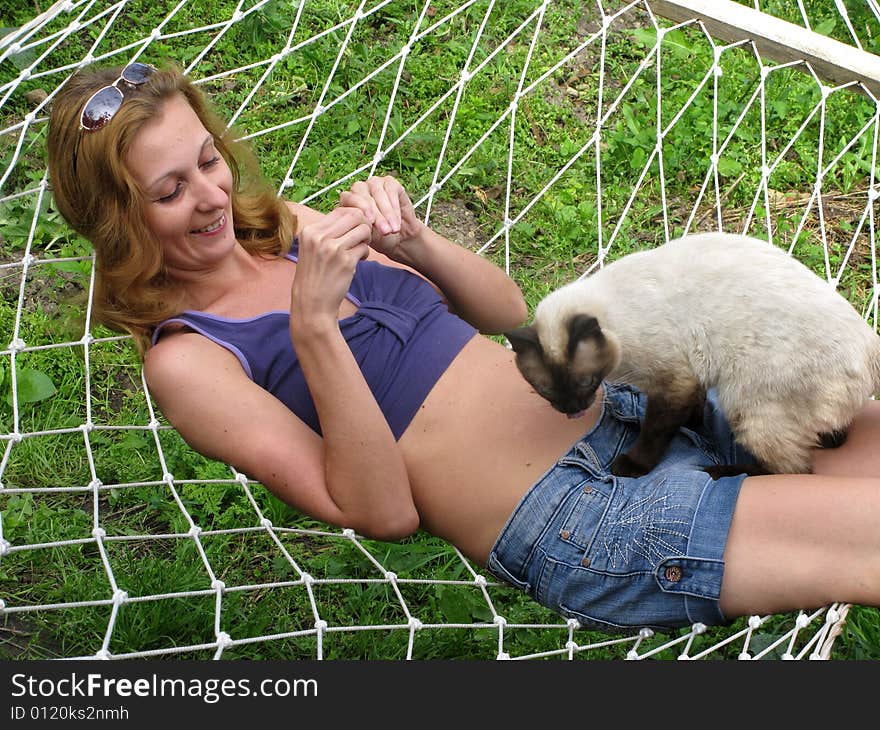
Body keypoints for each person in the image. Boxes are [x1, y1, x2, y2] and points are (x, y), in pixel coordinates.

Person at [47, 62, 880, 635]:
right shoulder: (189, 360)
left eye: (206, 161)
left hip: (628, 410)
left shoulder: (287, 229)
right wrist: (313, 331)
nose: (210, 195)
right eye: (170, 189)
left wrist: (416, 243)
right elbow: (382, 512)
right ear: (119, 220)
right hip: (581, 520)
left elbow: (507, 310)